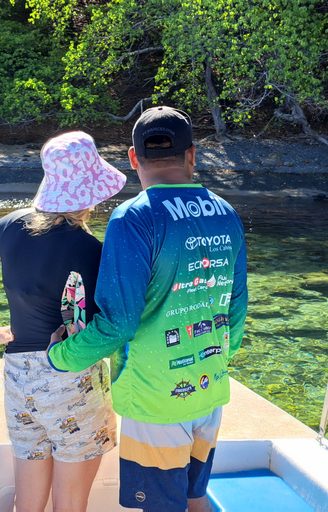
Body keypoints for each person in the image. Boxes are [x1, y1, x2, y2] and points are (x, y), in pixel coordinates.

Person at [47, 106, 248, 512]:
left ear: (134, 158)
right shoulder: (225, 213)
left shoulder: (133, 217)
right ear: (192, 155)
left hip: (156, 399)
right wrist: (217, 361)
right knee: (193, 497)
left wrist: (62, 357)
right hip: (209, 388)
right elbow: (236, 307)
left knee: (161, 505)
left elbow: (118, 323)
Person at [0, 131, 126, 512]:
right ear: (91, 191)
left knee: (26, 505)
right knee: (70, 506)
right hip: (70, 381)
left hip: (19, 379)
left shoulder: (10, 226)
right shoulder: (93, 251)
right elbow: (105, 323)